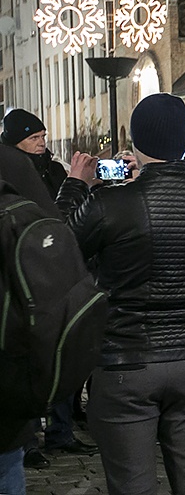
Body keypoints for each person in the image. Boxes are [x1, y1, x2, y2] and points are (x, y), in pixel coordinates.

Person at [65, 93, 185, 495]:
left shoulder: (111, 203)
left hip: (124, 360)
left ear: (137, 144)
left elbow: (57, 247)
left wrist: (77, 185)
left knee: (132, 485)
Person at [1, 109, 99, 469]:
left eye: (44, 136)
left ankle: (60, 430)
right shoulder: (12, 173)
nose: (42, 143)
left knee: (56, 357)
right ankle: (27, 441)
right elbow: (48, 228)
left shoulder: (52, 169)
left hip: (54, 287)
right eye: (34, 138)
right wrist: (74, 185)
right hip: (24, 297)